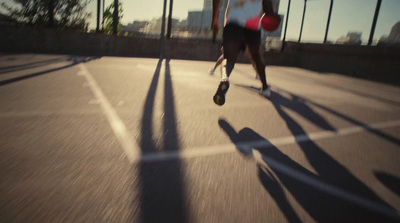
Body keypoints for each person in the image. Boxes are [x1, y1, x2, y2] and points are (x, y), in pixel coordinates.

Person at [211, 0, 280, 106]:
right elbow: (268, 10)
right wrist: (274, 15)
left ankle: (225, 78)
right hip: (252, 24)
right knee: (256, 57)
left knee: (228, 59)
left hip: (234, 19)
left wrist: (214, 19)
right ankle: (265, 88)